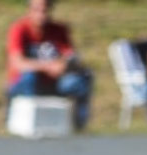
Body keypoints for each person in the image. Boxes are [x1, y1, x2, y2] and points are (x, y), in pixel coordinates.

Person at [6, 0, 93, 131]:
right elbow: (18, 62)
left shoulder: (58, 30)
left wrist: (64, 65)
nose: (41, 15)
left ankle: (78, 126)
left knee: (81, 79)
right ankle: (31, 125)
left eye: (45, 10)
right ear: (29, 10)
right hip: (26, 83)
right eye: (37, 10)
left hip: (54, 82)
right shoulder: (19, 29)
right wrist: (47, 66)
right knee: (30, 76)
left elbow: (71, 56)